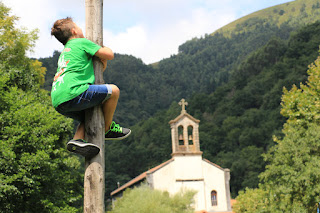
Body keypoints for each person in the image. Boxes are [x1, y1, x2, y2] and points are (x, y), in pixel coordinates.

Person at [50, 17, 131, 158]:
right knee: (114, 91)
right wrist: (102, 47)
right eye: (79, 26)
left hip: (58, 99)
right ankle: (107, 128)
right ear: (74, 31)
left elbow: (93, 70)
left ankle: (77, 140)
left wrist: (101, 63)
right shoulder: (81, 42)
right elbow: (109, 54)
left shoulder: (66, 51)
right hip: (73, 92)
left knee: (87, 115)